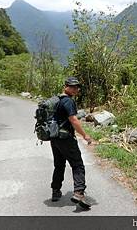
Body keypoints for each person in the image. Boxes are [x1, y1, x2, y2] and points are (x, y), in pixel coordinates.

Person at [50, 76, 92, 208]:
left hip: (55, 138)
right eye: (72, 87)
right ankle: (79, 192)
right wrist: (85, 135)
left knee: (59, 165)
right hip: (65, 138)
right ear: (66, 86)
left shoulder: (57, 100)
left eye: (76, 87)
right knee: (77, 164)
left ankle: (55, 191)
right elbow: (73, 120)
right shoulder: (68, 101)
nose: (75, 89)